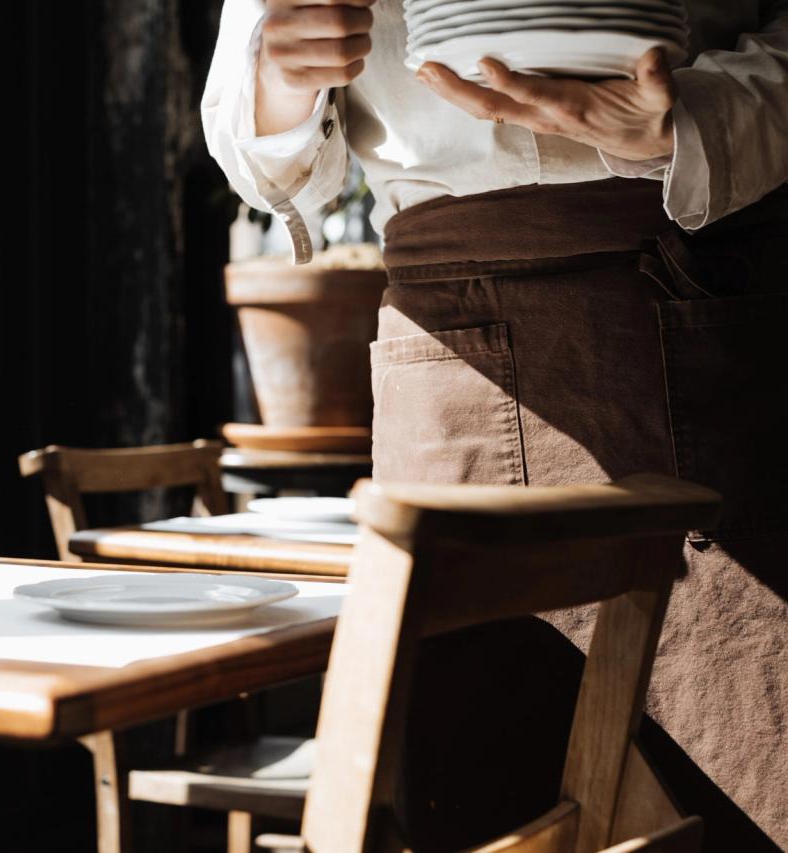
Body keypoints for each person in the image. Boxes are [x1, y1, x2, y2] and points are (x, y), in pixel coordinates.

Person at [203, 1, 788, 850]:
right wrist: (282, 73)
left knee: (750, 778)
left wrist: (696, 120)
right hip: (451, 354)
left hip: (709, 294)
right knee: (476, 788)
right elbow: (247, 125)